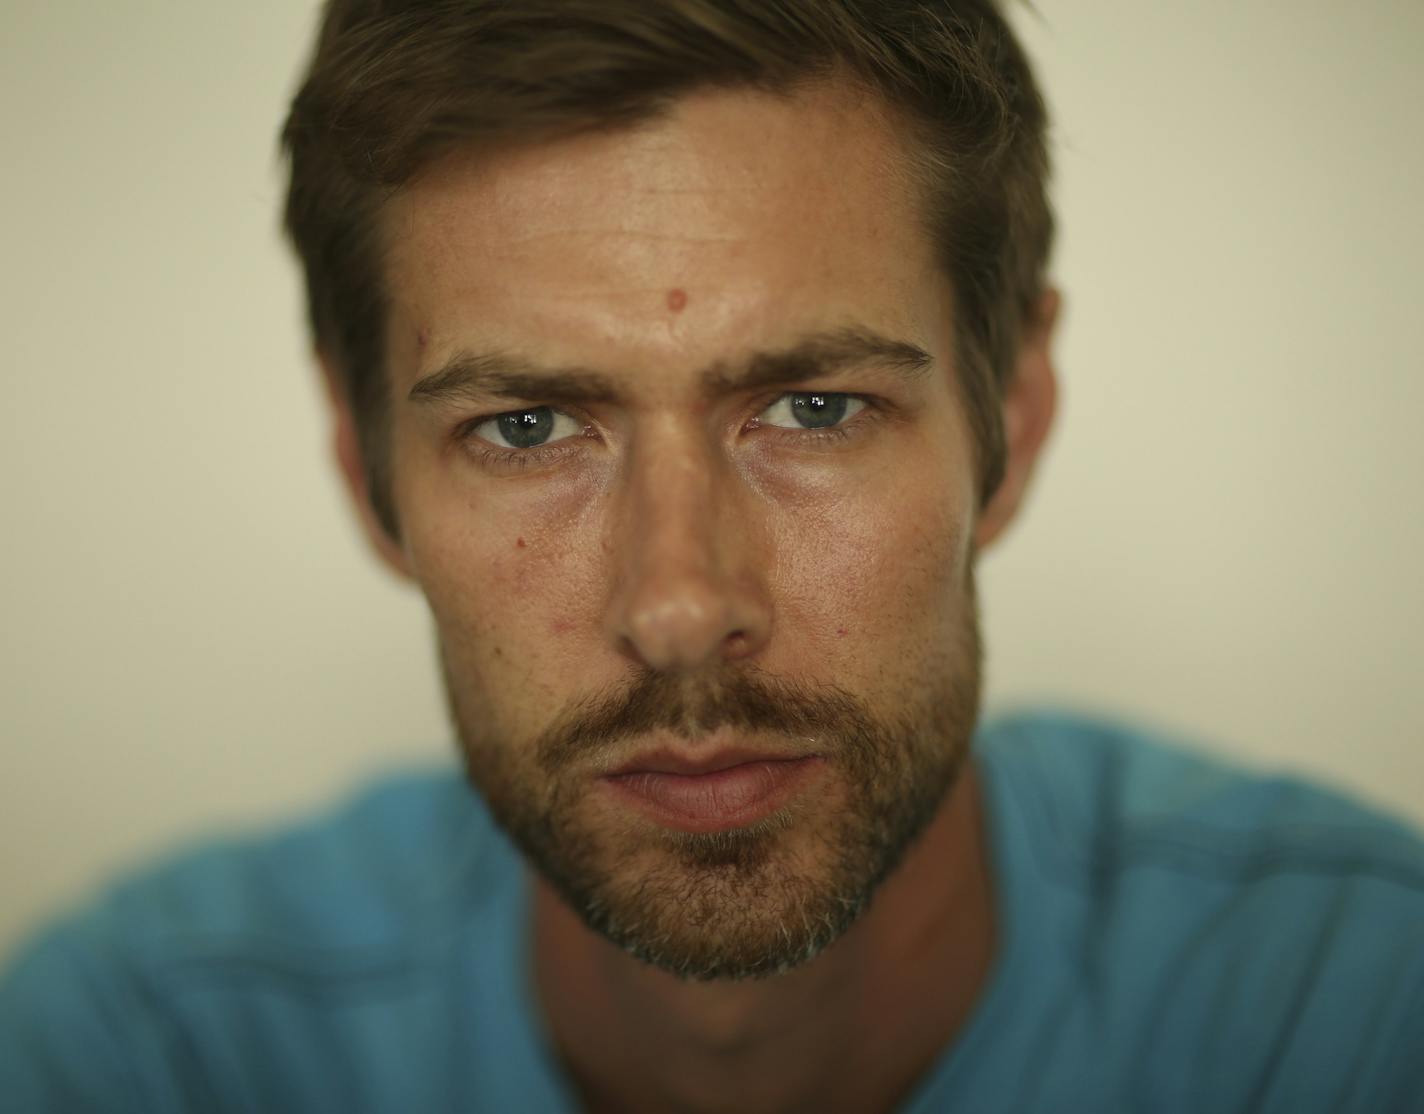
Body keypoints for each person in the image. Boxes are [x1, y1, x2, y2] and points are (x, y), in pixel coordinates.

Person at [3, 1, 1421, 1110]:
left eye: (815, 407)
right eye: (530, 424)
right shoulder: (145, 1059)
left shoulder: (1352, 1019)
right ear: (364, 470)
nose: (681, 604)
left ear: (1018, 414)